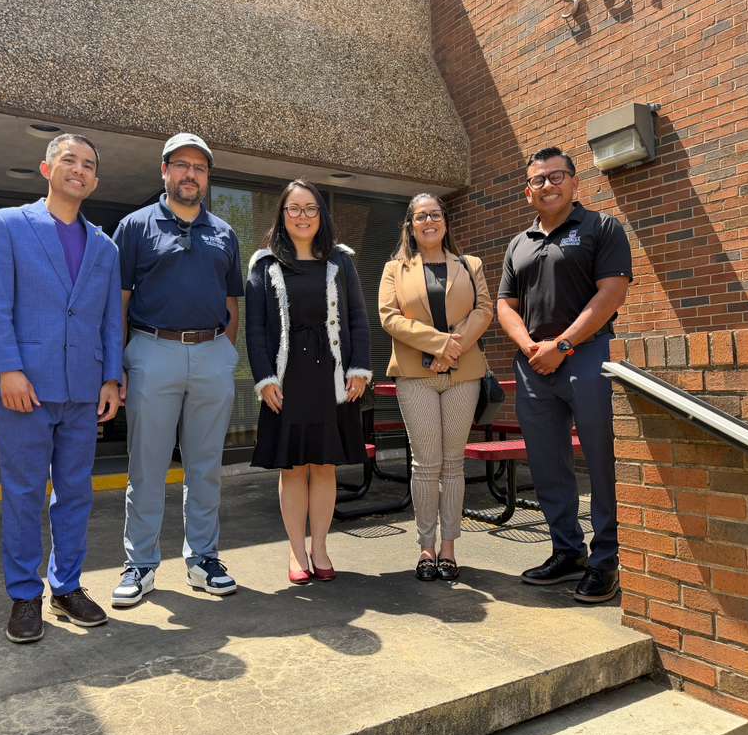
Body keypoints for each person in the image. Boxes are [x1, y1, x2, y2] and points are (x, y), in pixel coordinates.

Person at [0, 133, 122, 643]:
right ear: (47, 169)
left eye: (88, 165)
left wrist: (111, 378)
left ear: (95, 181)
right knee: (23, 494)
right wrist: (7, 369)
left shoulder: (105, 247)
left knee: (76, 493)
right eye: (69, 160)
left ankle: (66, 587)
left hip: (83, 389)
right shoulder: (8, 225)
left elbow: (110, 319)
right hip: (27, 388)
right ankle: (24, 594)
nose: (78, 170)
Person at [112, 133, 243, 606]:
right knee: (147, 466)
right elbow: (118, 301)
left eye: (199, 167)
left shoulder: (224, 232)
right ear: (164, 171)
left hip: (211, 353)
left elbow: (232, 302)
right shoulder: (134, 227)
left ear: (207, 178)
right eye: (182, 165)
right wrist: (118, 363)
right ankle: (140, 564)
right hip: (152, 350)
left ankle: (203, 559)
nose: (191, 174)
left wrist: (224, 354)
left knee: (205, 466)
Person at [496, 146, 631, 604]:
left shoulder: (601, 227)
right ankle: (567, 551)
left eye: (557, 176)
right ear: (527, 191)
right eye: (538, 179)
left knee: (601, 460)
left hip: (589, 357)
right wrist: (530, 347)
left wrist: (563, 345)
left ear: (575, 182)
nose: (547, 185)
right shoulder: (519, 244)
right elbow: (505, 305)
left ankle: (606, 559)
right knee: (547, 462)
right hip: (534, 365)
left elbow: (611, 293)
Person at [246, 180, 372, 585]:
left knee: (324, 465)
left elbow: (358, 318)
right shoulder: (264, 264)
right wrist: (265, 379)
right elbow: (255, 329)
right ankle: (296, 550)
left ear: (321, 215)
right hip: (288, 379)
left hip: (330, 377)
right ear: (282, 215)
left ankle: (319, 547)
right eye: (294, 209)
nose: (302, 216)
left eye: (310, 208)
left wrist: (359, 368)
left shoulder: (342, 261)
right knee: (294, 468)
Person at [379, 194, 493, 581]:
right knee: (426, 464)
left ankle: (449, 548)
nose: (429, 221)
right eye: (421, 216)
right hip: (416, 375)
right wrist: (440, 344)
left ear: (445, 221)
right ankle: (426, 547)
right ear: (410, 225)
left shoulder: (470, 265)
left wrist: (452, 348)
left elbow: (484, 310)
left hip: (463, 374)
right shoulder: (394, 269)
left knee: (453, 463)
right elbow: (389, 317)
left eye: (435, 215)